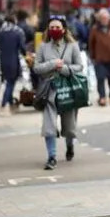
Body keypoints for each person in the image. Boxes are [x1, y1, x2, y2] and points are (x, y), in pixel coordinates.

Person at [34, 16, 84, 170]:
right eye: (52, 27)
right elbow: (36, 68)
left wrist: (65, 69)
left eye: (57, 27)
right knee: (49, 127)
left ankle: (70, 146)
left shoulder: (72, 46)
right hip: (49, 91)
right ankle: (52, 157)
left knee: (69, 127)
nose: (54, 30)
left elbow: (79, 66)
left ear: (64, 29)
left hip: (67, 90)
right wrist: (52, 64)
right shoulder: (43, 47)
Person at [0, 14, 27, 116]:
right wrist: (27, 55)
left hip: (2, 60)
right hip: (13, 60)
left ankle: (12, 105)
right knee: (10, 83)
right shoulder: (18, 32)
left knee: (8, 82)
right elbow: (22, 48)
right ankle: (3, 105)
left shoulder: (1, 32)